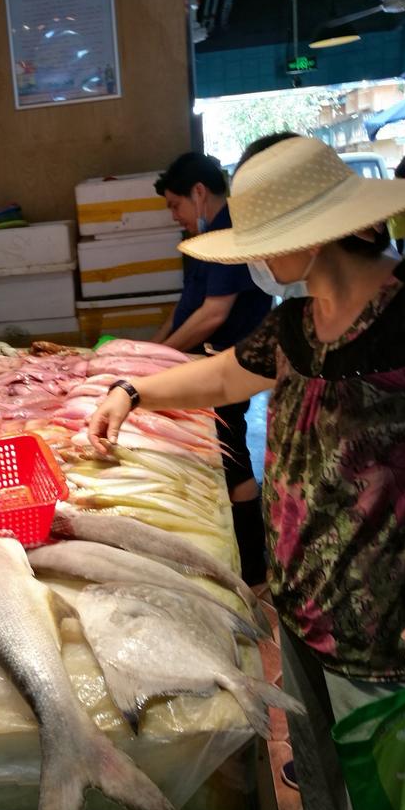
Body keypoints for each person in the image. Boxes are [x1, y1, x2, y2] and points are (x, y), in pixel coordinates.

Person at [88, 136, 405, 810]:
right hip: (304, 614)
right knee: (331, 789)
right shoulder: (296, 324)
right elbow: (224, 375)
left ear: (312, 233)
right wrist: (134, 389)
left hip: (396, 634)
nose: (254, 259)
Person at [151, 152, 273, 585]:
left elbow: (212, 315)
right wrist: (150, 350)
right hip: (210, 361)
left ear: (199, 192)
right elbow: (188, 309)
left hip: (229, 364)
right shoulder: (205, 239)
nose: (174, 215)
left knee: (235, 461)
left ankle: (254, 572)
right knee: (230, 457)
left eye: (175, 204)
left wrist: (158, 363)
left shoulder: (226, 235)